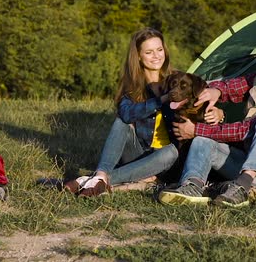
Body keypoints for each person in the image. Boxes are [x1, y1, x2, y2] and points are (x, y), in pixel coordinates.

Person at [158, 38, 256, 207]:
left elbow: (245, 130)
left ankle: (243, 185)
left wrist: (197, 129)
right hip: (244, 160)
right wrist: (215, 91)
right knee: (202, 140)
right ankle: (192, 186)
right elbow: (231, 86)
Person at [64, 27, 181, 197]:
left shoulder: (177, 81)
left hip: (165, 160)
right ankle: (102, 175)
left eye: (159, 49)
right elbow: (126, 114)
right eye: (149, 52)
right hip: (139, 154)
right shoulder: (132, 87)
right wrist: (159, 100)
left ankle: (91, 180)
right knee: (121, 122)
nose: (156, 56)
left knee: (171, 152)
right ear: (139, 57)